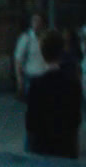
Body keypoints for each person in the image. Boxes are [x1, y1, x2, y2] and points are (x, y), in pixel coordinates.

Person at [26, 30, 82, 159]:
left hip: (42, 145)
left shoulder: (37, 84)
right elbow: (75, 118)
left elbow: (31, 122)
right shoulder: (72, 83)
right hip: (66, 144)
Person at [15, 13, 49, 101]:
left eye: (39, 21)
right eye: (34, 20)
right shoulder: (26, 38)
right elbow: (18, 59)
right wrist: (19, 81)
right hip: (31, 77)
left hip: (45, 76)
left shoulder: (46, 38)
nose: (36, 23)